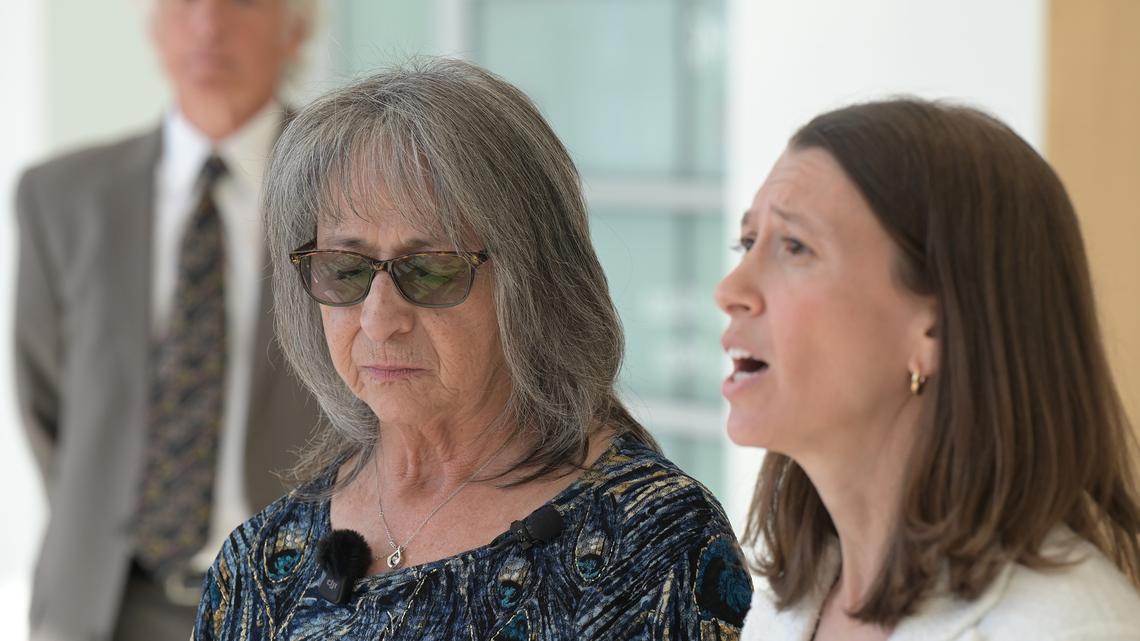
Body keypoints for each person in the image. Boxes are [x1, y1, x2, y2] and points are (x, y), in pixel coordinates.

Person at [190, 58, 753, 641]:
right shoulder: (259, 566)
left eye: (431, 269)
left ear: (534, 282)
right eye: (345, 268)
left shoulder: (653, 543)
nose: (379, 321)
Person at [717, 98, 1140, 640]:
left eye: (795, 246)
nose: (730, 290)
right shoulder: (781, 609)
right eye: (748, 242)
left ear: (937, 329)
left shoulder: (1073, 630)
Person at [14, 1, 320, 639]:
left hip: (299, 601)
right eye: (184, 2)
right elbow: (46, 402)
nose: (208, 24)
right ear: (154, 26)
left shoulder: (353, 191)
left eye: (241, 1)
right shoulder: (62, 197)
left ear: (296, 29)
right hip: (103, 607)